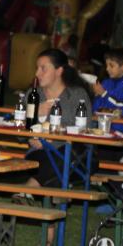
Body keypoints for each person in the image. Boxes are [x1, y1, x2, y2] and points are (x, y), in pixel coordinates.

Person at [24, 49, 92, 187]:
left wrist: (52, 139)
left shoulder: (76, 95)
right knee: (60, 161)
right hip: (39, 153)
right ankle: (55, 189)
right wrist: (34, 115)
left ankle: (29, 188)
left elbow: (86, 129)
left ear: (59, 71)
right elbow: (19, 132)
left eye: (43, 68)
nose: (37, 73)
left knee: (69, 155)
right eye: (37, 68)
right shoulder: (33, 95)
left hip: (72, 151)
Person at [91, 47, 123, 120]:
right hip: (102, 122)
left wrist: (104, 94)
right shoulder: (106, 82)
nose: (107, 69)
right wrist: (97, 95)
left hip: (122, 125)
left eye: (111, 66)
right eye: (106, 65)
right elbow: (96, 109)